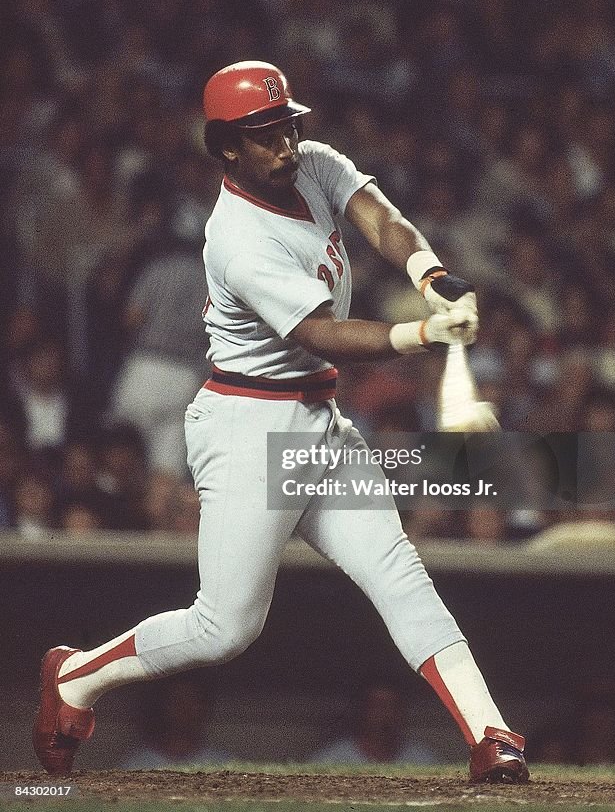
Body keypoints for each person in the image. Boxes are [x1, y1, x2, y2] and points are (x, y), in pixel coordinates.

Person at [33, 61, 529, 785]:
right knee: (224, 628)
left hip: (316, 421)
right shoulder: (237, 236)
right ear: (226, 147)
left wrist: (431, 277)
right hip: (246, 426)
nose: (284, 145)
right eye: (264, 136)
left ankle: (490, 735)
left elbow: (380, 218)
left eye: (287, 127)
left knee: (398, 570)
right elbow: (320, 334)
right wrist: (424, 336)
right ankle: (74, 677)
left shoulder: (313, 163)